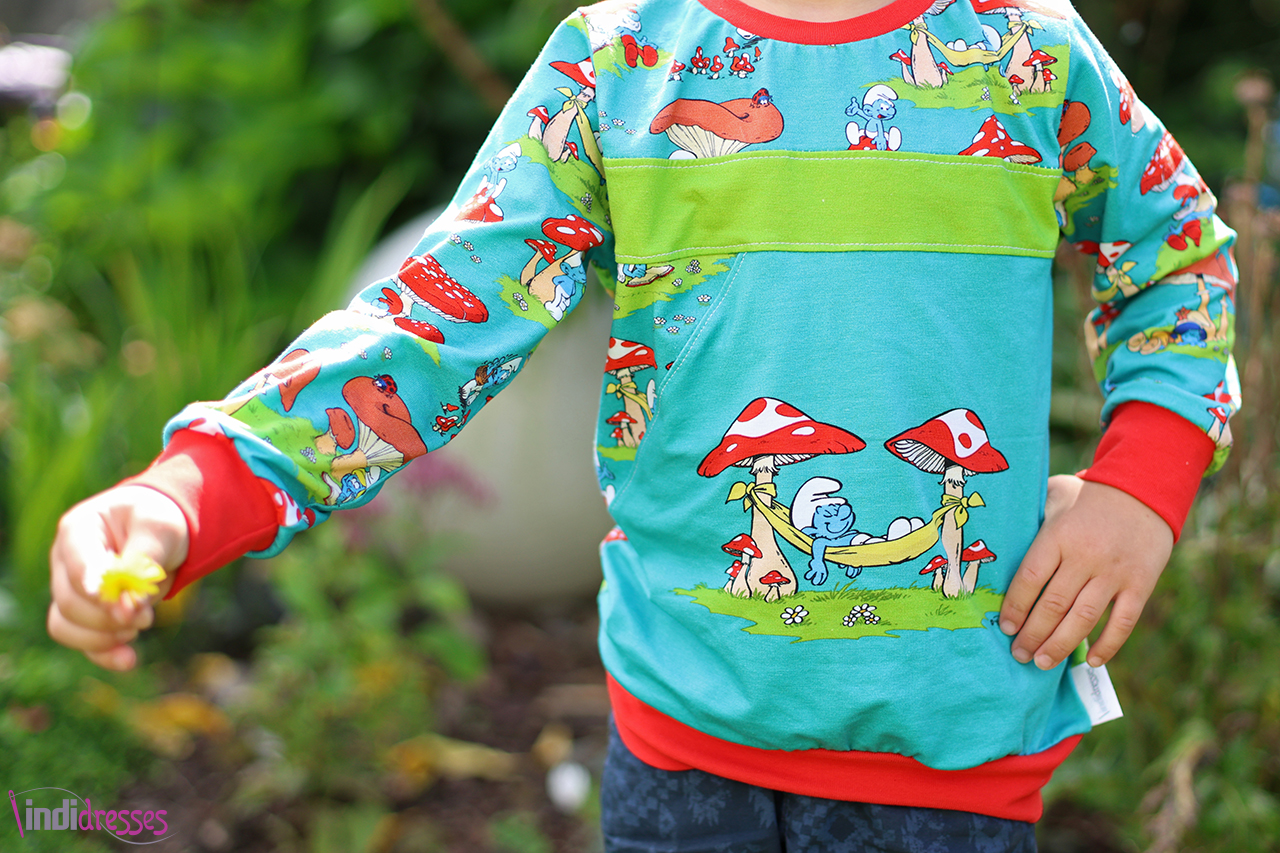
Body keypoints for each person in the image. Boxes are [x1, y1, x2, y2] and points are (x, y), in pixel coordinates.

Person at [48, 0, 1239, 849]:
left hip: (948, 756)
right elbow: (430, 323)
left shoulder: (1026, 52)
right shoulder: (621, 60)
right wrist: (191, 491)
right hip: (682, 745)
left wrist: (1139, 485)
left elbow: (1175, 253)